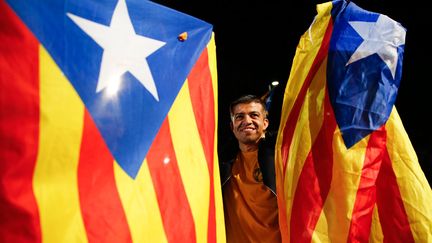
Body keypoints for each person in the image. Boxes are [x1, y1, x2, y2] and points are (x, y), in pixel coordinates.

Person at [220, 94, 281, 242]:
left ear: (265, 123)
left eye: (254, 115)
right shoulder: (220, 162)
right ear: (232, 126)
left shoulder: (281, 156)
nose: (247, 121)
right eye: (239, 117)